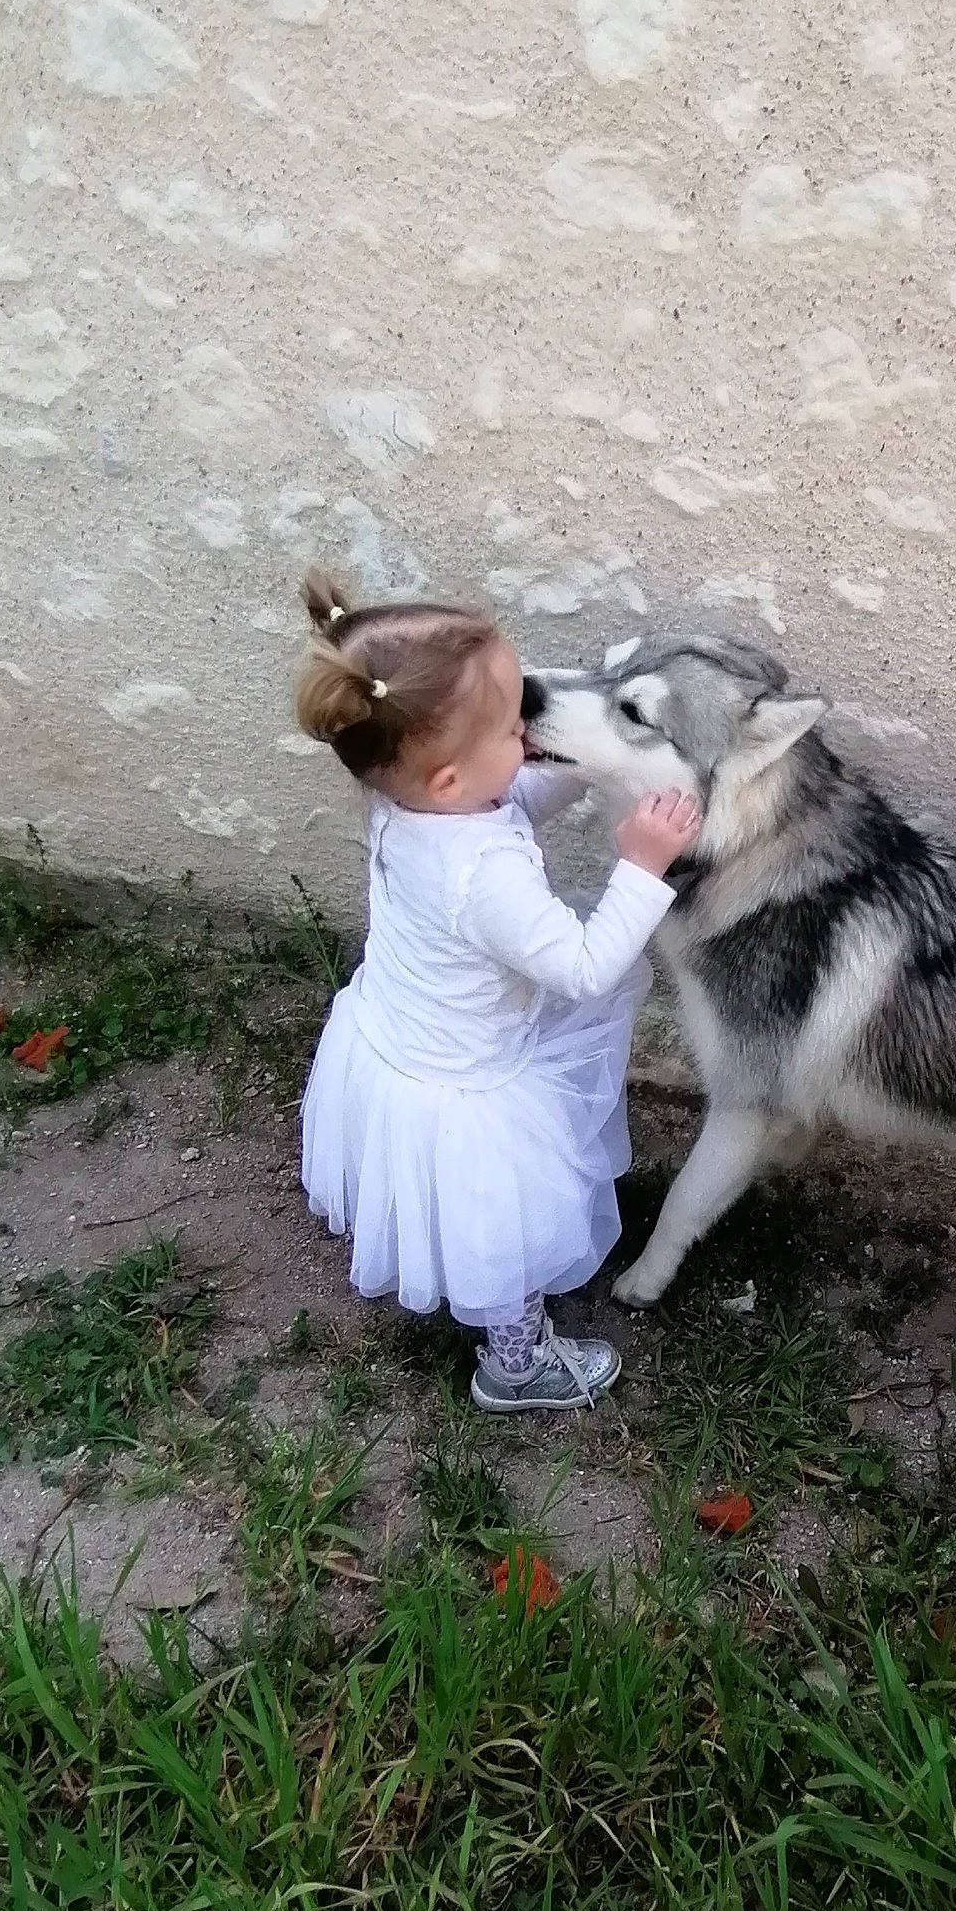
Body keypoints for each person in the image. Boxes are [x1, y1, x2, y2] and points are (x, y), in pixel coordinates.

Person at [293, 570, 701, 1412]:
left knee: (444, 1200)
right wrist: (643, 869)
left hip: (393, 1036)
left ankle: (473, 1292)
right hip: (466, 1089)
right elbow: (585, 967)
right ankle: (515, 1363)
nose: (530, 728)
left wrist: (586, 761)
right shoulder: (485, 879)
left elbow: (506, 791)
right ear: (449, 778)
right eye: (517, 724)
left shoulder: (400, 792)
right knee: (498, 1227)